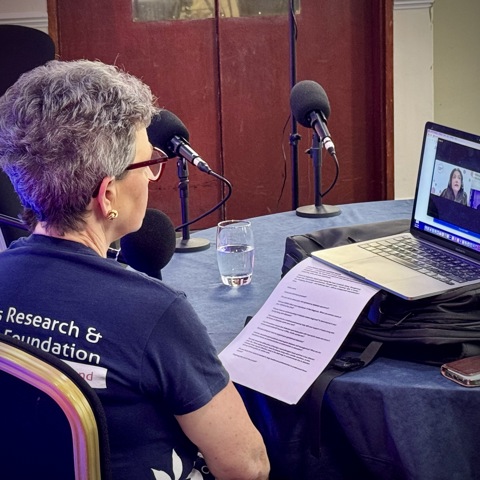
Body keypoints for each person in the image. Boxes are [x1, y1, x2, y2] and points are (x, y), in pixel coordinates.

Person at [0, 59, 269, 480]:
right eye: (147, 165)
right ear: (107, 194)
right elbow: (246, 467)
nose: (152, 178)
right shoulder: (154, 315)